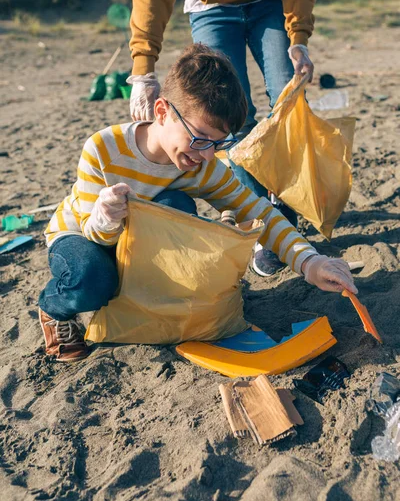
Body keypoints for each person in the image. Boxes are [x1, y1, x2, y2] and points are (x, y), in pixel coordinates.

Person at [39, 44, 356, 363]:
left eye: (220, 143)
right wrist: (106, 218)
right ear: (162, 112)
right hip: (83, 236)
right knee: (93, 279)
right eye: (200, 138)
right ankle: (53, 310)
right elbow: (95, 237)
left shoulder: (202, 164)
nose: (207, 154)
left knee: (175, 205)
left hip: (139, 245)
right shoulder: (104, 149)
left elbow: (259, 212)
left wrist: (310, 262)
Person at [127, 0, 321, 276]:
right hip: (210, 5)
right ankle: (262, 224)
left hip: (270, 0)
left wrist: (298, 38)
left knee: (288, 104)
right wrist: (143, 68)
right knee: (232, 121)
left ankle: (285, 207)